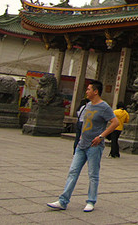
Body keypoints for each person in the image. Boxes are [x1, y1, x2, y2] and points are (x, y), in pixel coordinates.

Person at [47, 81, 119, 213]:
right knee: (73, 171)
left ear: (96, 91)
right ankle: (63, 201)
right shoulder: (88, 105)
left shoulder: (104, 107)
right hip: (82, 145)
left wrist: (101, 136)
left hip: (94, 146)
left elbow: (115, 122)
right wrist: (81, 135)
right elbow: (85, 122)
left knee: (93, 174)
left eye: (89, 89)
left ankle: (91, 201)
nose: (86, 91)